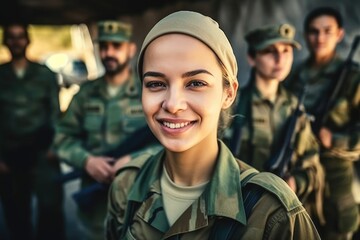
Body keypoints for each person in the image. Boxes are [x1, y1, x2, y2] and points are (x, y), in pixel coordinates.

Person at [105, 11, 320, 239]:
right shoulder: (127, 185)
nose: (173, 104)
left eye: (196, 83)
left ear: (228, 93)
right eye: (156, 84)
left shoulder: (272, 211)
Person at [52, 20, 160, 240]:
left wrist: (134, 159)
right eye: (104, 46)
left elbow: (173, 141)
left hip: (142, 205)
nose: (109, 52)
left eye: (116, 46)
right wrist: (86, 161)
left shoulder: (150, 92)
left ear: (131, 49)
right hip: (96, 211)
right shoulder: (85, 94)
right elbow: (62, 138)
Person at [225, 23, 325, 225]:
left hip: (282, 216)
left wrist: (295, 183)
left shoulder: (296, 110)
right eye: (270, 51)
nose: (280, 59)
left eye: (286, 51)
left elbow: (313, 166)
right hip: (238, 214)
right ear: (252, 58)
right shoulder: (231, 106)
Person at [284, 6, 360, 240]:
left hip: (335, 179)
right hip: (300, 178)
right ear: (306, 35)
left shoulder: (352, 77)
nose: (320, 38)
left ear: (339, 34)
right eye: (314, 31)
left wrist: (334, 139)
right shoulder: (294, 76)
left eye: (327, 31)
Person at [0, 22, 65, 240]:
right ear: (5, 41)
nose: (16, 41)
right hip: (10, 154)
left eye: (20, 36)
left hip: (42, 152)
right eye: (11, 37)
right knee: (16, 213)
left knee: (51, 210)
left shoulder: (44, 74)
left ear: (28, 40)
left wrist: (55, 146)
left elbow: (56, 113)